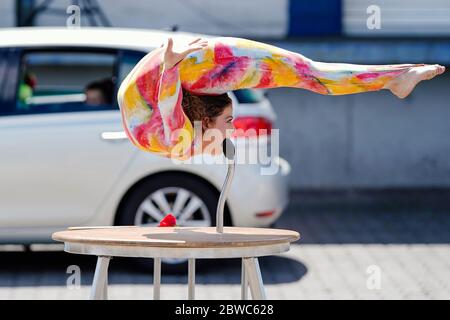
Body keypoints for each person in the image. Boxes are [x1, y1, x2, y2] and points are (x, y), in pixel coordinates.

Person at [117, 37, 445, 160]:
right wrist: (170, 67)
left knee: (310, 74)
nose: (231, 130)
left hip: (188, 68)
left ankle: (396, 79)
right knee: (309, 74)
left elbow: (167, 106)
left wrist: (171, 67)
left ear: (203, 118)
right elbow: (168, 107)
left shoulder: (180, 140)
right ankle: (396, 77)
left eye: (228, 121)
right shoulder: (169, 139)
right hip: (175, 72)